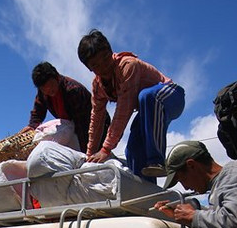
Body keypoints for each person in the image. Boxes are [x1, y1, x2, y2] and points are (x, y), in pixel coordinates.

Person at [77, 29, 185, 180]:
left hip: (170, 97)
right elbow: (96, 119)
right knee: (133, 149)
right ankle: (148, 193)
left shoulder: (128, 66)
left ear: (110, 52)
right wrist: (89, 154)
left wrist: (106, 149)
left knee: (146, 96)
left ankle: (156, 161)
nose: (104, 67)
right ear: (89, 68)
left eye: (105, 58)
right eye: (96, 65)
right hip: (148, 112)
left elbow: (123, 110)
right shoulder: (98, 86)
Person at [20, 61, 108, 152]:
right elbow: (39, 109)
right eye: (44, 89)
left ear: (57, 77)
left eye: (51, 85)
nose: (49, 90)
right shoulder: (43, 92)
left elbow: (82, 124)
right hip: (74, 125)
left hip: (98, 125)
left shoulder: (73, 91)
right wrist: (32, 125)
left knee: (96, 156)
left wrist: (86, 152)